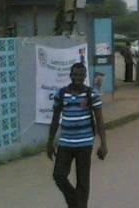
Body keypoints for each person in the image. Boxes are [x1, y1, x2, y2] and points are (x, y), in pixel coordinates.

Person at [47, 63, 108, 208]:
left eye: (81, 75)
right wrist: (50, 143)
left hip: (84, 144)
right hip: (65, 143)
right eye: (75, 74)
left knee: (83, 181)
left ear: (85, 76)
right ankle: (77, 204)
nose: (78, 78)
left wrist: (104, 144)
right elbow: (55, 120)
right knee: (59, 175)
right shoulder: (61, 94)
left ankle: (79, 205)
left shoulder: (91, 94)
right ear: (70, 75)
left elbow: (99, 120)